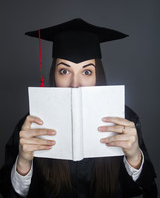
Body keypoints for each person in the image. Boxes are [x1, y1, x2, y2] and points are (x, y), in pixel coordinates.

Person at [0, 18, 158, 198]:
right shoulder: (31, 126)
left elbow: (147, 191)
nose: (75, 84)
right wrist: (23, 163)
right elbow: (9, 194)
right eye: (64, 71)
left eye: (87, 71)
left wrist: (135, 158)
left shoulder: (125, 120)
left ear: (98, 75)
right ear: (53, 74)